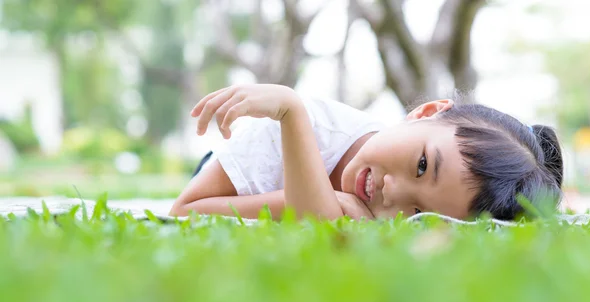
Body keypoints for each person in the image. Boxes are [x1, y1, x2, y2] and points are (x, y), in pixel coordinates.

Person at [169, 84, 563, 221]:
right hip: (231, 179)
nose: (392, 193)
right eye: (422, 165)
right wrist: (291, 112)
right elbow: (184, 211)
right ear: (425, 113)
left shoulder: (382, 217)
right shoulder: (296, 124)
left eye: (418, 213)